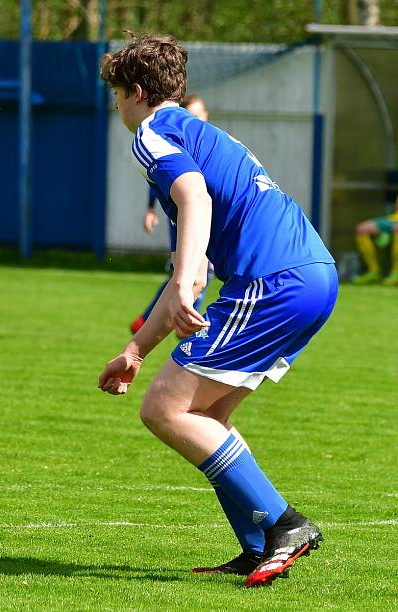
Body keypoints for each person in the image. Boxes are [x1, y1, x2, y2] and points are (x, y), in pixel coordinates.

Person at [97, 34, 337, 588]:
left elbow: (194, 200)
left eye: (116, 96)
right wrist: (135, 349)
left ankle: (285, 524)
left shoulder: (152, 132)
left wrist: (183, 281)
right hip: (311, 276)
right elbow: (198, 265)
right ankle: (257, 547)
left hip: (274, 280)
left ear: (135, 92)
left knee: (163, 408)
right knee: (207, 418)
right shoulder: (200, 134)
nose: (117, 109)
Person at [130, 94, 214, 334]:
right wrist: (149, 209)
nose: (197, 119)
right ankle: (182, 325)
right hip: (185, 215)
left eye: (200, 114)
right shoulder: (175, 144)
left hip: (202, 213)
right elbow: (162, 178)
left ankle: (162, 322)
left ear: (206, 116)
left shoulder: (210, 142)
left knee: (190, 274)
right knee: (192, 273)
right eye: (191, 114)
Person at [351, 193, 398, 285]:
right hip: (394, 218)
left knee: (397, 229)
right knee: (361, 229)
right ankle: (373, 271)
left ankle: (396, 272)